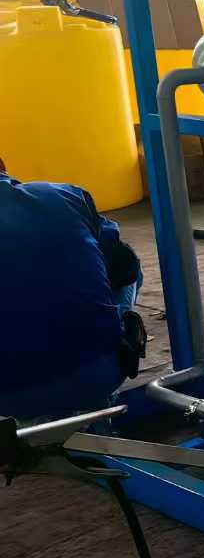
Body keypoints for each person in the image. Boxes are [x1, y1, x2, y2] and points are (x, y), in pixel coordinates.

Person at [0, 158, 147, 420]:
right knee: (127, 269)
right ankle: (97, 409)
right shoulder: (63, 195)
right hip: (99, 373)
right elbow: (125, 267)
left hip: (9, 398)